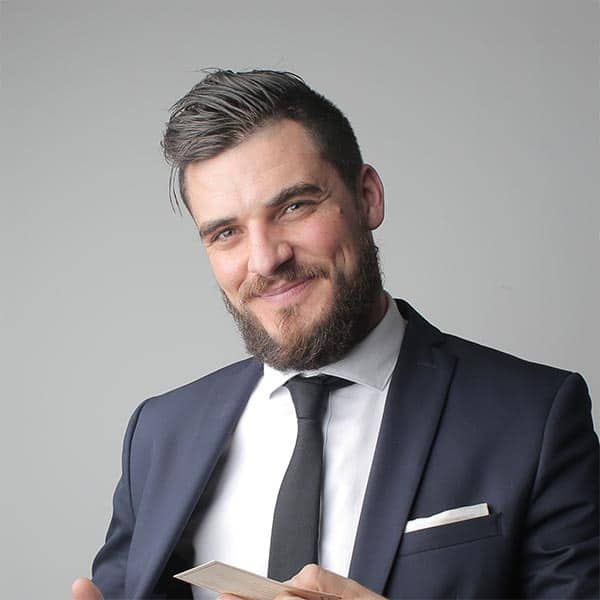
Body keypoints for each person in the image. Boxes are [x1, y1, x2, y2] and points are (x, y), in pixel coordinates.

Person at [72, 70, 599, 600]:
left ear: (368, 197)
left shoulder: (535, 417)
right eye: (226, 232)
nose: (266, 260)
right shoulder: (159, 433)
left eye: (294, 207)